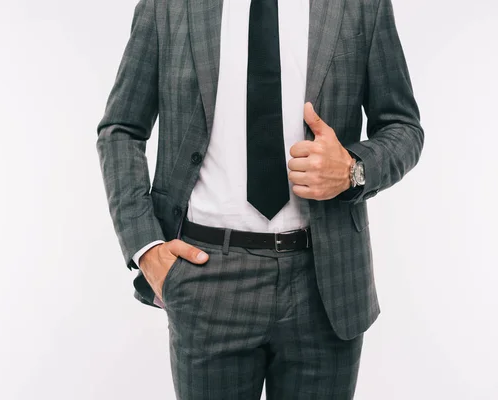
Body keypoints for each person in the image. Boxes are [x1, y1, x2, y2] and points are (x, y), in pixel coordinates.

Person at [96, 0, 423, 398]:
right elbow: (121, 130)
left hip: (327, 282)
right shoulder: (169, 5)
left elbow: (403, 126)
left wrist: (353, 169)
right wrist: (146, 248)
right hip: (207, 277)